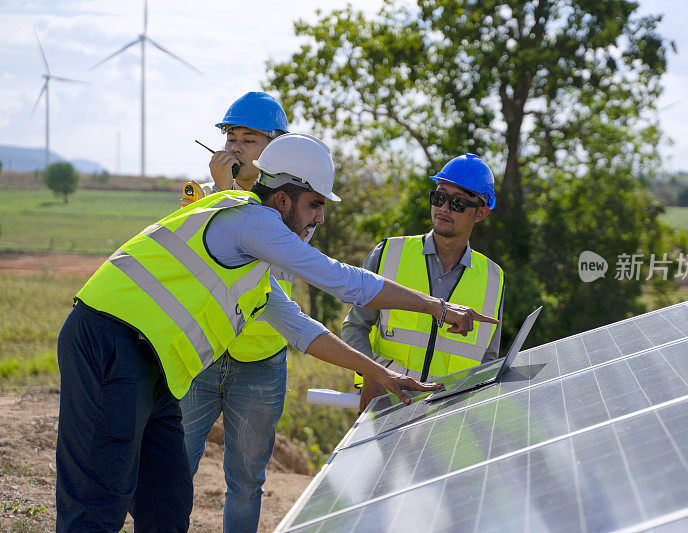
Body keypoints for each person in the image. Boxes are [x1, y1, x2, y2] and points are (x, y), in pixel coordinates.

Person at [55, 133, 496, 532]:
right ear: (284, 200)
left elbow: (306, 332)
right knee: (99, 500)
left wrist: (378, 373)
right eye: (315, 205)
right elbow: (345, 281)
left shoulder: (255, 266)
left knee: (166, 502)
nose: (320, 219)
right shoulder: (251, 221)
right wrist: (436, 306)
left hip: (152, 367)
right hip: (109, 343)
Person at [178, 92, 299, 532]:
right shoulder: (199, 200)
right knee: (175, 470)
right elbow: (196, 270)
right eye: (231, 136)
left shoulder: (288, 204)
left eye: (249, 139)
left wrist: (231, 192)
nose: (235, 147)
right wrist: (222, 193)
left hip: (261, 361)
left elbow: (267, 268)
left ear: (276, 148)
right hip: (203, 355)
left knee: (246, 482)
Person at [342, 154, 504, 411]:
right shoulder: (388, 254)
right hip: (386, 405)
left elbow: (487, 359)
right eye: (439, 197)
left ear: (481, 212)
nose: (444, 208)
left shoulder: (494, 278)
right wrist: (371, 376)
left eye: (458, 203)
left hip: (449, 416)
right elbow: (354, 326)